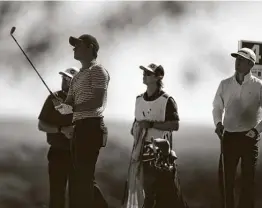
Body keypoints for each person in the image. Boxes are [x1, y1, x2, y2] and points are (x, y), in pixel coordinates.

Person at [122, 63, 189, 208]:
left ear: (159, 77)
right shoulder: (139, 100)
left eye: (148, 73)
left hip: (160, 154)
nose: (144, 75)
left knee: (164, 194)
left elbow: (174, 125)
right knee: (144, 193)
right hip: (141, 152)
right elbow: (135, 123)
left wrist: (151, 125)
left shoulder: (167, 100)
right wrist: (136, 129)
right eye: (144, 72)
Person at [54, 34, 110, 208]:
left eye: (78, 45)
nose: (74, 48)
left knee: (84, 176)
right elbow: (70, 101)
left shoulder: (98, 71)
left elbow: (97, 101)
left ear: (90, 48)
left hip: (92, 126)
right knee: (79, 176)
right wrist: (63, 107)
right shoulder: (77, 77)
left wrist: (73, 108)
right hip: (79, 127)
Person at [212, 47, 262, 208]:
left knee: (248, 180)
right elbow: (217, 107)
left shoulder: (258, 86)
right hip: (229, 137)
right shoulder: (224, 84)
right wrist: (218, 123)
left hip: (250, 138)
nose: (237, 62)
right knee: (227, 181)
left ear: (250, 64)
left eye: (241, 59)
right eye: (236, 58)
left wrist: (256, 131)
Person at [38, 67, 79, 208]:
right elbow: (41, 125)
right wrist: (61, 129)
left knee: (78, 194)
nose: (65, 81)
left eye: (69, 79)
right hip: (58, 152)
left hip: (79, 154)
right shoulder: (53, 98)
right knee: (56, 194)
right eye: (64, 78)